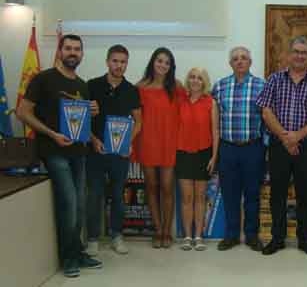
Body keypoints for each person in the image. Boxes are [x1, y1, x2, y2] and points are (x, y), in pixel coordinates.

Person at [17, 34, 102, 277]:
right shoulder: (43, 79)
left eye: (77, 49)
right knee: (70, 204)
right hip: (54, 152)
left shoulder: (82, 85)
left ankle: (77, 251)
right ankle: (68, 259)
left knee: (80, 205)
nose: (73, 53)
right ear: (60, 51)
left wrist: (92, 114)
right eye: (68, 48)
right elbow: (23, 112)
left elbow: (80, 121)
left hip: (79, 152)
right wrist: (51, 134)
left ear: (82, 54)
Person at [256, 36, 307, 256]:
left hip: (306, 146)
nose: (300, 55)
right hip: (279, 146)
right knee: (277, 194)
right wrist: (285, 137)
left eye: (304, 52)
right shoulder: (274, 79)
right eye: (296, 51)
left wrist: (297, 136)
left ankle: (305, 240)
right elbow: (266, 111)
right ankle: (277, 239)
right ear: (288, 55)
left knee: (305, 195)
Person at [85, 44, 142, 256]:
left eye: (123, 62)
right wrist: (92, 139)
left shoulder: (131, 90)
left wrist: (128, 142)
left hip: (120, 154)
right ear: (108, 61)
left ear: (127, 64)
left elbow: (139, 122)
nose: (119, 65)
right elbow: (81, 118)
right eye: (115, 61)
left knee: (118, 196)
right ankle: (92, 239)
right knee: (95, 196)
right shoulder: (92, 85)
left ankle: (117, 236)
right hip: (96, 151)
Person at [212, 46, 265, 252]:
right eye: (235, 59)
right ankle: (231, 235)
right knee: (229, 194)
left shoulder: (262, 85)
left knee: (252, 194)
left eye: (244, 58)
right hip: (228, 149)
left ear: (250, 62)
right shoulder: (219, 87)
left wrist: (266, 146)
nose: (240, 61)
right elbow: (212, 118)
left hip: (253, 147)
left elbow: (268, 117)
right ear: (230, 63)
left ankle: (252, 236)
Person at [133, 47, 186, 249]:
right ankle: (157, 230)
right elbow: (133, 115)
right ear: (152, 62)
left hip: (169, 142)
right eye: (159, 61)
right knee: (151, 186)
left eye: (167, 62)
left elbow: (189, 109)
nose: (162, 65)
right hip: (147, 141)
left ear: (171, 66)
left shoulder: (177, 87)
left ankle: (166, 230)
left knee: (167, 187)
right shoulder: (140, 86)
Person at [176, 67, 219, 251]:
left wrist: (214, 157)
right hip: (183, 153)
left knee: (200, 198)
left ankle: (199, 236)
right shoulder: (180, 100)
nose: (195, 81)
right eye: (192, 77)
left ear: (204, 82)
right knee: (186, 197)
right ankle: (187, 236)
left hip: (204, 153)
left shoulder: (210, 102)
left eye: (199, 78)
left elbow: (215, 131)